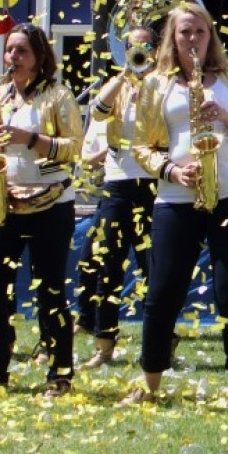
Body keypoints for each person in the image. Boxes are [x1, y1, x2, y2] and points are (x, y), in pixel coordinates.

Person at [120, 3, 228, 407]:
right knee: (162, 291)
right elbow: (141, 146)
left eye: (200, 32)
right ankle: (149, 384)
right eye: (184, 32)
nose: (193, 39)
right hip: (177, 195)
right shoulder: (156, 84)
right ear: (172, 37)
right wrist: (171, 171)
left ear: (210, 36)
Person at [0, 23, 84, 397]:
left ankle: (60, 375)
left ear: (39, 57)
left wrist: (29, 138)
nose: (13, 57)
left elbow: (73, 148)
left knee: (49, 290)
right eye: (10, 50)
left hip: (51, 204)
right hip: (6, 204)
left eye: (22, 51)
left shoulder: (59, 95)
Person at [75, 24, 157, 369]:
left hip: (154, 183)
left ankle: (159, 343)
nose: (140, 52)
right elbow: (97, 110)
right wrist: (124, 75)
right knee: (108, 266)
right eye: (133, 46)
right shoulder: (116, 84)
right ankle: (104, 345)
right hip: (118, 183)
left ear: (156, 50)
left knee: (153, 269)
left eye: (146, 46)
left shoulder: (165, 84)